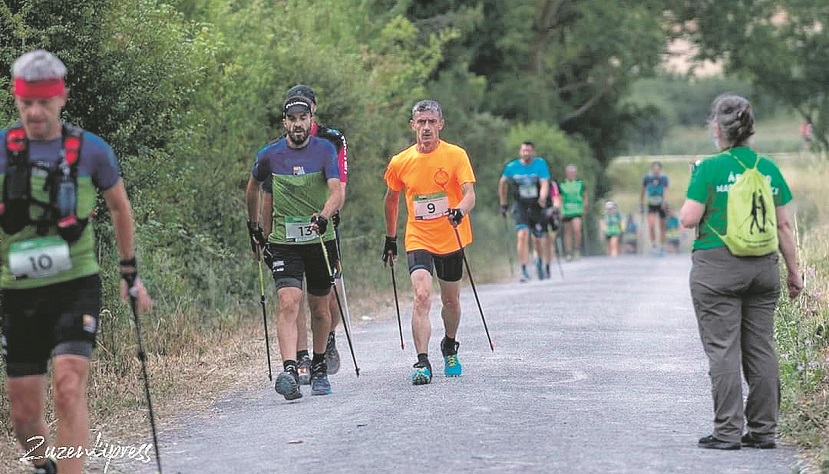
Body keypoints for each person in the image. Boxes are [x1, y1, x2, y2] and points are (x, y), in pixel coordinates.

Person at [0, 50, 152, 474]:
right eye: (26, 103)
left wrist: (129, 272)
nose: (34, 113)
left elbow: (120, 208)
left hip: (75, 284)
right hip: (18, 292)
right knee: (24, 415)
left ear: (61, 98)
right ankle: (43, 465)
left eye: (43, 103)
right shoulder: (3, 148)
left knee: (68, 388)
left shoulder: (91, 151)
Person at [679, 93, 803, 450]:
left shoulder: (709, 168)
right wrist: (794, 273)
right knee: (761, 348)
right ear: (749, 130)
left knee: (723, 350)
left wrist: (695, 182)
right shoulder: (768, 169)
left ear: (717, 128)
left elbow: (688, 219)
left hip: (717, 268)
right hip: (764, 268)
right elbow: (783, 227)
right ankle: (764, 432)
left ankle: (727, 432)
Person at [246, 96, 343, 400]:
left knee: (320, 307)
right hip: (285, 242)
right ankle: (289, 368)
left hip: (318, 239)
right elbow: (253, 188)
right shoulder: (270, 154)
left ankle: (318, 366)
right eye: (293, 119)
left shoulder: (325, 149)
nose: (298, 124)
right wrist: (254, 228)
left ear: (310, 120)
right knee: (288, 301)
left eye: (303, 119)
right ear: (285, 123)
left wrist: (325, 216)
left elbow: (336, 190)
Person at [383, 99, 476, 385]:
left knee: (451, 300)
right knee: (422, 295)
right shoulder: (401, 161)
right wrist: (390, 238)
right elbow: (391, 199)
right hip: (418, 236)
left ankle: (449, 344)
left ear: (440, 125)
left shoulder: (456, 155)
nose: (426, 128)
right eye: (420, 122)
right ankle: (422, 361)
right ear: (412, 125)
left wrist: (460, 209)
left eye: (431, 122)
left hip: (451, 234)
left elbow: (469, 193)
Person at [278, 84, 349, 383]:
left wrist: (327, 213)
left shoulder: (332, 139)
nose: (299, 119)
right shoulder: (283, 143)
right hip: (291, 230)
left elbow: (341, 184)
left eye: (305, 109)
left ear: (313, 109)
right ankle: (303, 357)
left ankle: (328, 336)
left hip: (325, 223)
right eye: (293, 112)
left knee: (325, 293)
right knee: (293, 293)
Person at [498, 141, 551, 281]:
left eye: (528, 151)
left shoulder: (540, 164)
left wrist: (543, 197)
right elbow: (503, 183)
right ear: (520, 152)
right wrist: (503, 203)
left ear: (533, 152)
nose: (526, 153)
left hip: (536, 205)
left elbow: (545, 182)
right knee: (522, 234)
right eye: (523, 151)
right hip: (520, 205)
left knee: (538, 239)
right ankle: (523, 268)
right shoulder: (512, 166)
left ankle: (539, 261)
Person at [559, 164, 588, 260]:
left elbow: (585, 196)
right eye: (569, 173)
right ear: (566, 174)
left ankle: (577, 250)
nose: (571, 174)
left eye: (573, 173)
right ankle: (568, 252)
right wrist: (560, 210)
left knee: (577, 230)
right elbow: (560, 198)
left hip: (577, 210)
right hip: (566, 211)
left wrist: (584, 207)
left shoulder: (580, 184)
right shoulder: (562, 185)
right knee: (567, 232)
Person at [640, 161, 669, 256]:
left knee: (662, 226)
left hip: (660, 203)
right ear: (652, 169)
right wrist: (641, 203)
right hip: (651, 203)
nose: (656, 170)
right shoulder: (647, 178)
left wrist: (664, 202)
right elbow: (643, 191)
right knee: (651, 225)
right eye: (654, 169)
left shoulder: (663, 178)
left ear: (660, 169)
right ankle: (653, 245)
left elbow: (665, 191)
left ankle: (662, 246)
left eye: (657, 169)